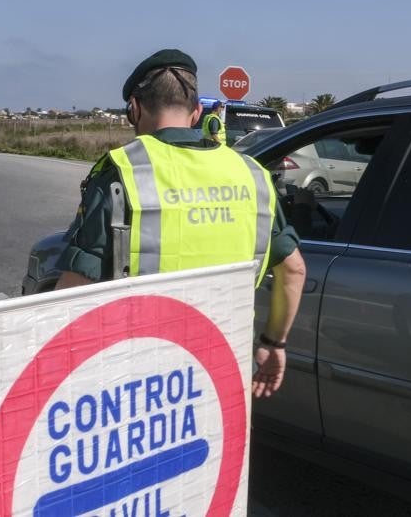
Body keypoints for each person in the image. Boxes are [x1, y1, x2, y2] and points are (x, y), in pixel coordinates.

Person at [54, 49, 306, 398]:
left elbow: (75, 286)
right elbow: (294, 270)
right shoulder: (252, 174)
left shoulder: (124, 171)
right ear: (197, 111)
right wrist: (273, 342)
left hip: (140, 376)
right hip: (224, 366)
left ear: (134, 109)